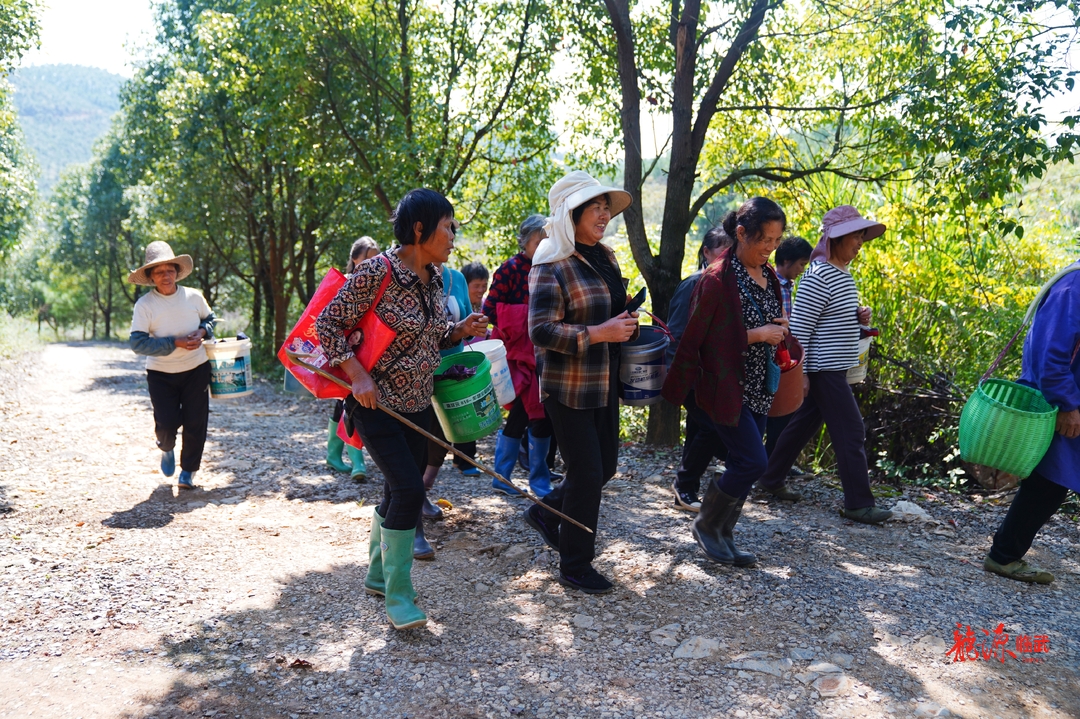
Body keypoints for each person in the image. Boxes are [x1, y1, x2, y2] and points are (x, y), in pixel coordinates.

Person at [316, 189, 487, 630]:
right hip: (376, 406)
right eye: (448, 226)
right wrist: (357, 375)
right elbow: (327, 324)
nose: (453, 235)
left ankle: (377, 576)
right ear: (419, 229)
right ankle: (399, 595)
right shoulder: (378, 272)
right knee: (411, 491)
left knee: (396, 491)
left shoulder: (436, 278)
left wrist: (456, 330)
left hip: (418, 404)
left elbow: (426, 335)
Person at [523, 171, 639, 594]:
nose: (605, 214)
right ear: (572, 214)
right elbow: (541, 331)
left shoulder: (605, 257)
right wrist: (599, 333)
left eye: (607, 206)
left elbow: (609, 309)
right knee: (587, 472)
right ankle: (575, 564)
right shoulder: (550, 264)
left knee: (604, 466)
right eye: (597, 206)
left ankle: (547, 511)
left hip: (603, 381)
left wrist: (626, 320)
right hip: (567, 386)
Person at [662, 197, 790, 565]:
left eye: (776, 241)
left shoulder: (769, 278)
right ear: (741, 233)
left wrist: (778, 331)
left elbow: (768, 322)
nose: (770, 248)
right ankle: (707, 526)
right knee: (753, 461)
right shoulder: (716, 279)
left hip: (759, 386)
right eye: (764, 239)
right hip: (724, 388)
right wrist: (756, 334)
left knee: (744, 461)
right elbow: (700, 340)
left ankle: (724, 533)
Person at [756, 205, 893, 524]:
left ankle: (770, 477)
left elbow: (830, 322)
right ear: (838, 237)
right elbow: (801, 328)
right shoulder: (819, 275)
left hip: (834, 368)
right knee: (851, 429)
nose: (860, 241)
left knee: (800, 426)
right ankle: (858, 502)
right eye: (856, 235)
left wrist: (858, 319)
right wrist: (800, 373)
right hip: (823, 370)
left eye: (862, 235)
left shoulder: (840, 273)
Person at [984, 260, 1080, 584]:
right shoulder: (1074, 285)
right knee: (1048, 482)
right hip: (1062, 404)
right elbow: (1049, 352)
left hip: (1069, 401)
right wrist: (1066, 404)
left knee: (1050, 482)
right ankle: (1004, 556)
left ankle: (1004, 554)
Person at [127, 241, 215, 490]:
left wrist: (202, 331)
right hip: (161, 374)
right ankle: (166, 448)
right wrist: (175, 342)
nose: (166, 276)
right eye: (159, 271)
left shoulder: (193, 296)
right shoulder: (145, 305)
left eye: (170, 270)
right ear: (151, 277)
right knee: (165, 423)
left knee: (196, 421)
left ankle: (188, 472)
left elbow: (209, 319)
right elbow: (138, 343)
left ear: (177, 272)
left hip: (196, 368)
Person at [484, 214, 558, 499]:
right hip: (515, 355)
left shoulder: (553, 268)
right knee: (519, 414)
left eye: (547, 241)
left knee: (542, 415)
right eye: (538, 241)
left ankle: (539, 478)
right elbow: (490, 310)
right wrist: (523, 318)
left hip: (545, 353)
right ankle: (502, 477)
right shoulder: (509, 270)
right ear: (525, 241)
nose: (542, 246)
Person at [668, 226, 734, 512]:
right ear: (706, 252)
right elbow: (677, 333)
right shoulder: (694, 283)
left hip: (710, 375)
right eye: (722, 248)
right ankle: (684, 484)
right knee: (710, 428)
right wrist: (682, 376)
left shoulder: (725, 283)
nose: (727, 255)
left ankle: (686, 490)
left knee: (699, 428)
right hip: (690, 373)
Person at [421, 259, 480, 531]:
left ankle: (422, 492)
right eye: (447, 229)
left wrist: (474, 326)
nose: (452, 239)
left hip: (450, 371)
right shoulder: (410, 274)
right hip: (416, 374)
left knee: (443, 435)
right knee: (417, 435)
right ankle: (407, 504)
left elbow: (463, 325)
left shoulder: (456, 278)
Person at [760, 235, 814, 491]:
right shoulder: (772, 282)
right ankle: (767, 466)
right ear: (787, 261)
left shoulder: (789, 285)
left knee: (786, 413)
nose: (802, 270)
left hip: (785, 355)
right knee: (775, 414)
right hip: (770, 353)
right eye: (801, 264)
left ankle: (776, 463)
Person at [327, 237, 380, 480]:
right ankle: (357, 463)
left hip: (367, 355)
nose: (374, 262)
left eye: (377, 256)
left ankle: (334, 454)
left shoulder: (380, 285)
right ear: (355, 259)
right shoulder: (345, 285)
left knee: (344, 404)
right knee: (349, 404)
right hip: (346, 355)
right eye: (368, 257)